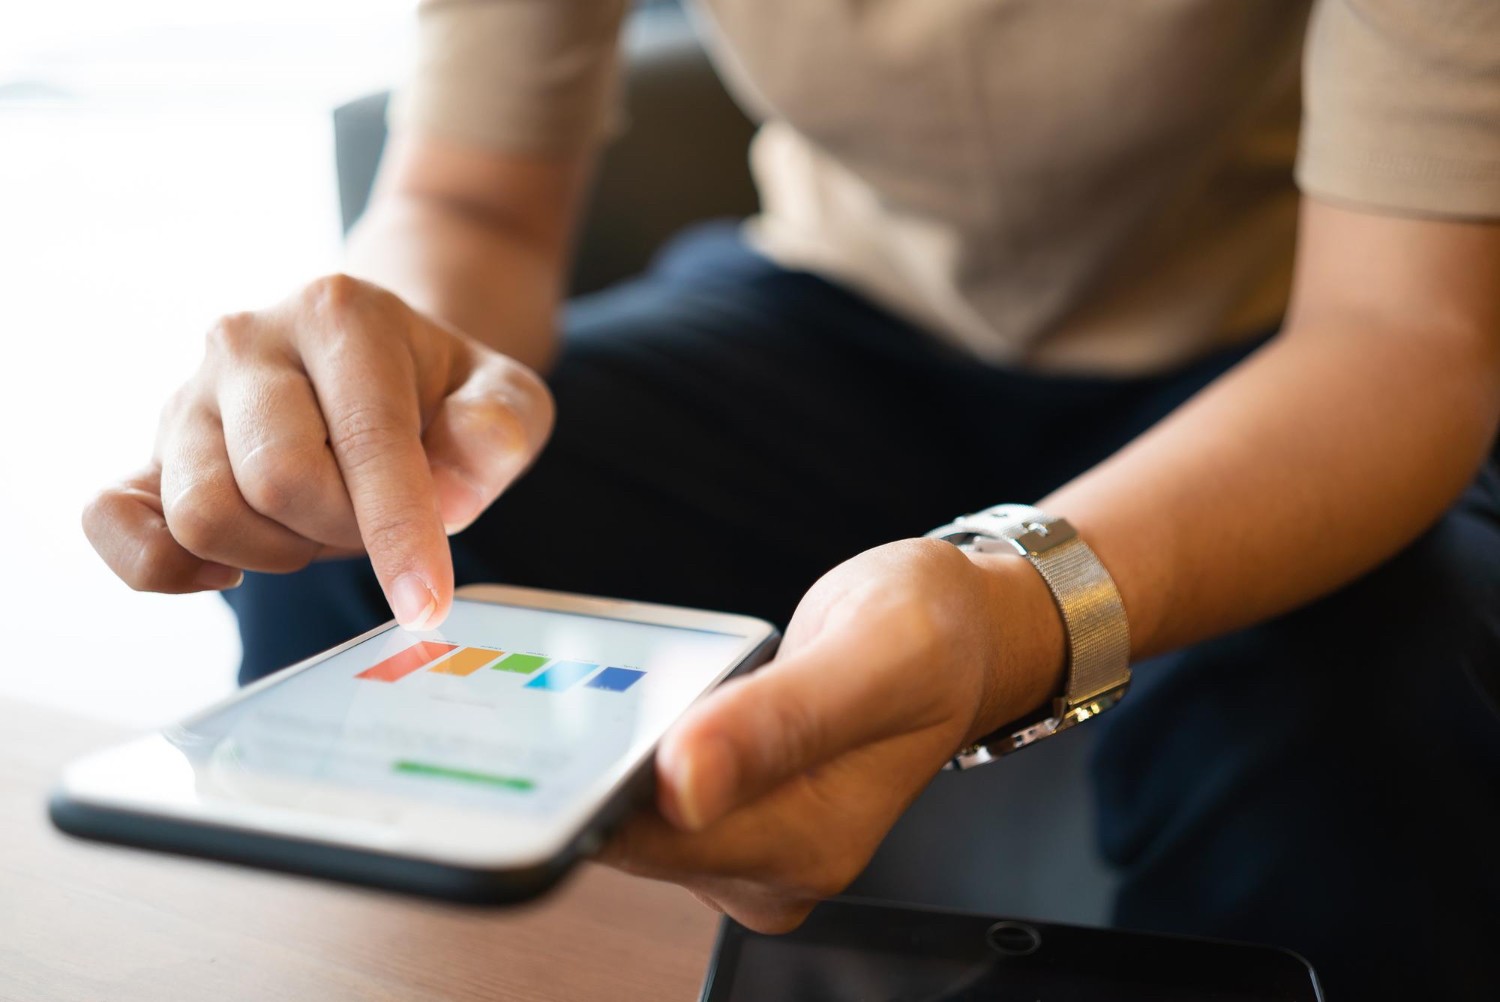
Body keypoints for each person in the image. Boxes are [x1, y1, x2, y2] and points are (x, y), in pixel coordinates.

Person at [83, 1, 1499, 998]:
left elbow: (1404, 337)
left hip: (1290, 343)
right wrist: (388, 370)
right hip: (838, 301)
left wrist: (1010, 607)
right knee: (345, 543)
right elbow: (474, 203)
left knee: (1339, 736)